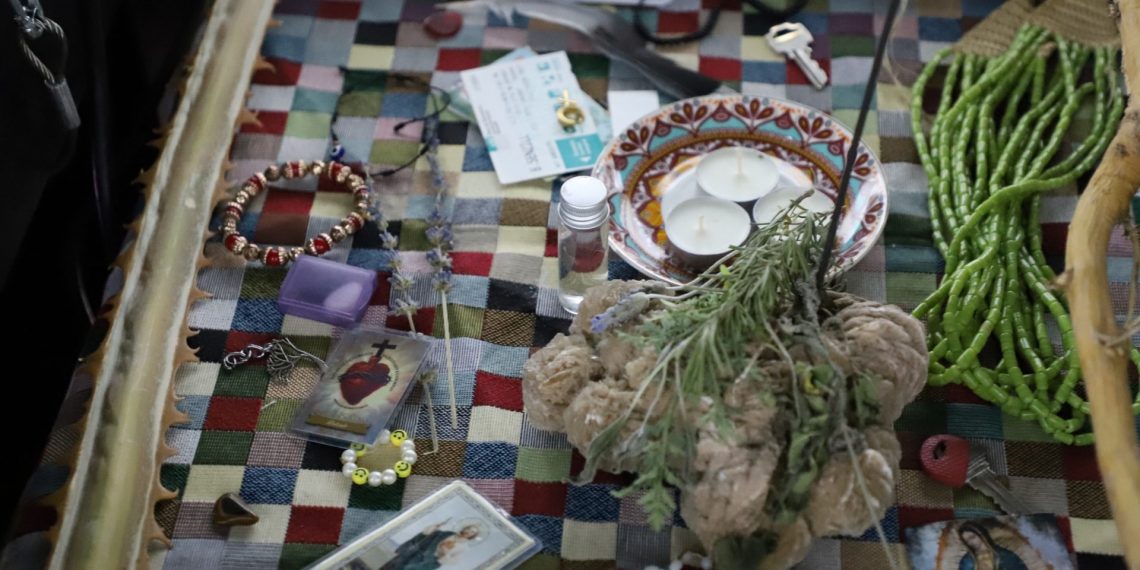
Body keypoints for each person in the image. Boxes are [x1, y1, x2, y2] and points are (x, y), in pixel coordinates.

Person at [380, 522, 482, 570]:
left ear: (473, 535)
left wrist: (445, 553)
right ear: (465, 528)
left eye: (472, 532)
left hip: (427, 563)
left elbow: (454, 561)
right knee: (393, 567)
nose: (469, 531)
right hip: (416, 553)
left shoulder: (464, 547)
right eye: (469, 528)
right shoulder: (447, 533)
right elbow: (427, 534)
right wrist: (434, 527)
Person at [957, 522, 1033, 570]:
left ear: (981, 534)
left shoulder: (1005, 555)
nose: (970, 542)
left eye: (972, 537)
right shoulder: (967, 560)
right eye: (967, 541)